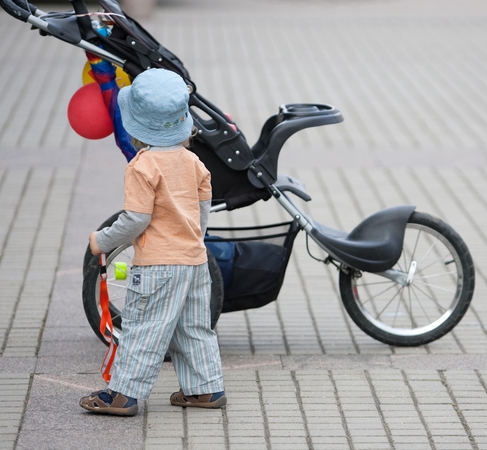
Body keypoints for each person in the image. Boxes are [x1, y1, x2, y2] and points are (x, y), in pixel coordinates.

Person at [79, 68, 226, 416]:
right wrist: (192, 240)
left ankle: (123, 395)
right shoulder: (193, 162)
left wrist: (102, 240)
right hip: (194, 260)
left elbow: (136, 219)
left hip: (158, 265)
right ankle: (206, 389)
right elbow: (202, 210)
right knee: (194, 328)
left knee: (143, 328)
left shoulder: (142, 166)